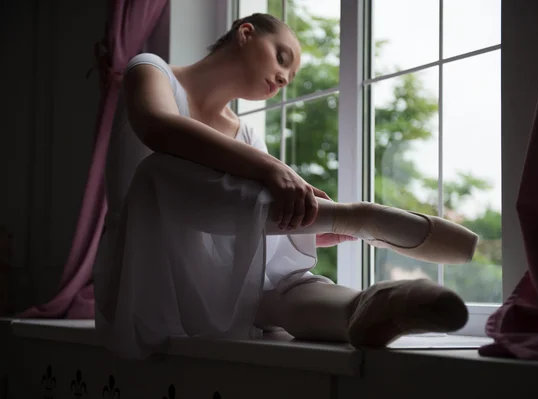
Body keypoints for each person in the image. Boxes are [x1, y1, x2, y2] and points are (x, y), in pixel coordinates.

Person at [93, 13, 479, 360]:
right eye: (282, 58)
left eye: (289, 78)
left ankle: (368, 305)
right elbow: (158, 127)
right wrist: (274, 171)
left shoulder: (244, 132)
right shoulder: (151, 70)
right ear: (245, 33)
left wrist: (298, 222)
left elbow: (250, 209)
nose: (283, 79)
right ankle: (358, 217)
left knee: (281, 281)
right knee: (158, 172)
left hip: (208, 279)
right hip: (142, 272)